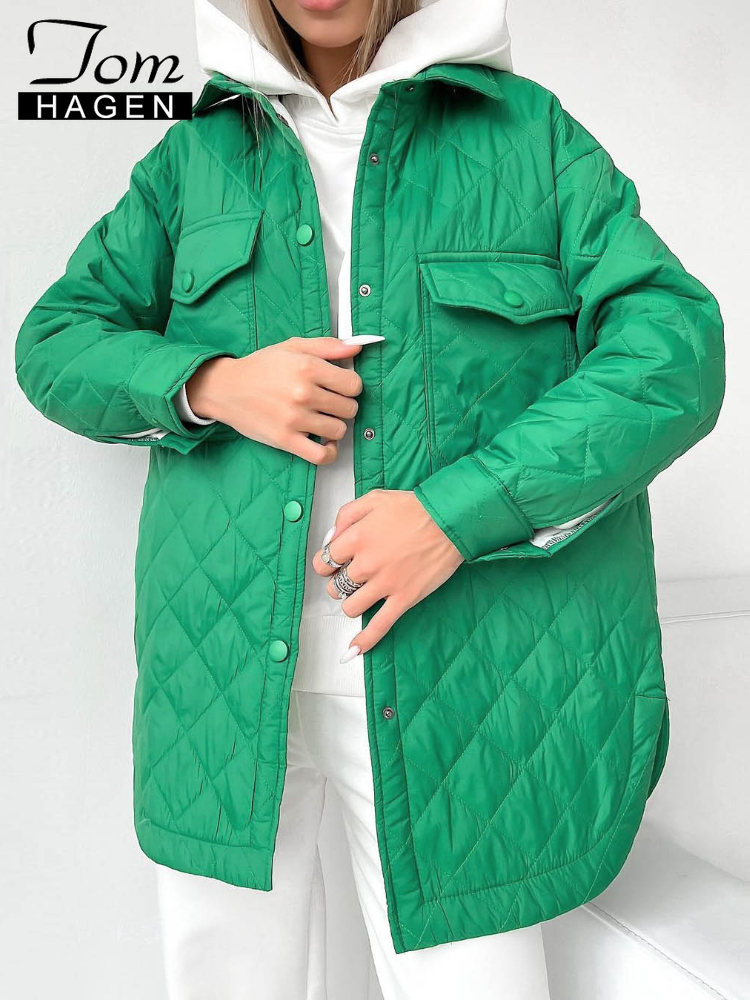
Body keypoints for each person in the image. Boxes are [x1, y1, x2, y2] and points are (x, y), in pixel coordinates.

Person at [14, 0, 726, 996]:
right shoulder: (195, 157)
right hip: (221, 675)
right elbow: (55, 342)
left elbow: (672, 357)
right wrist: (214, 382)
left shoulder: (528, 135)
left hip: (460, 672)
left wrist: (455, 515)